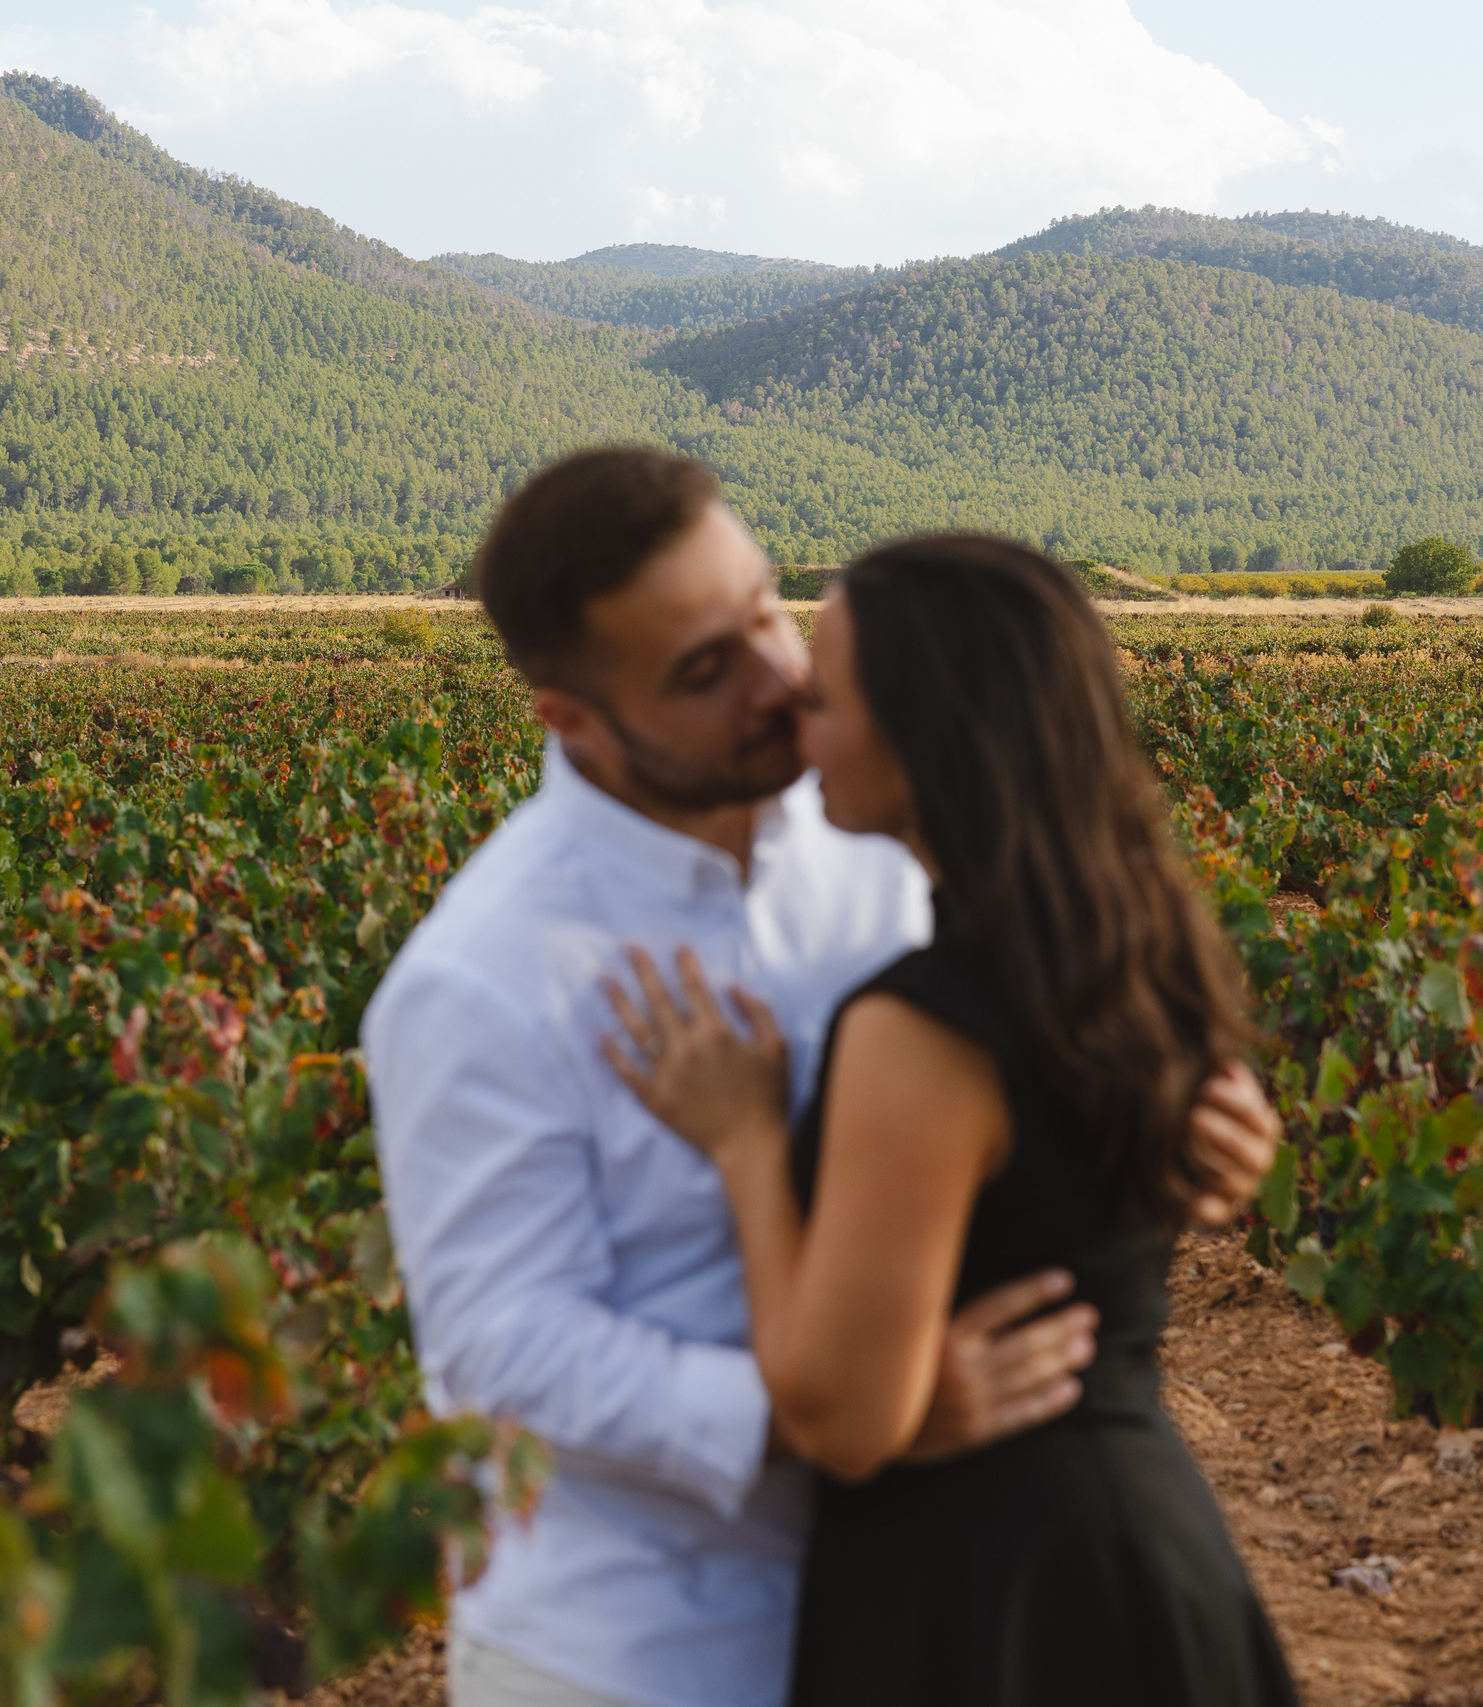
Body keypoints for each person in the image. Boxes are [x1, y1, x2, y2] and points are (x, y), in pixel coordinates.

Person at [361, 448, 1281, 1707]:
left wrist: (1177, 1133)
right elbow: (498, 1342)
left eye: (762, 610)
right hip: (638, 1647)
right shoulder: (479, 979)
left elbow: (1018, 1078)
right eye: (705, 669)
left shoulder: (882, 843)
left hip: (928, 1604)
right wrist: (827, 1416)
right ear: (570, 717)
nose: (779, 678)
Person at [604, 533, 1297, 1706]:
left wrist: (748, 1143)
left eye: (824, 700)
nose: (794, 727)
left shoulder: (927, 1025)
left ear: (929, 731)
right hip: (1138, 1555)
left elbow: (842, 1414)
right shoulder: (1131, 950)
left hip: (996, 1585)